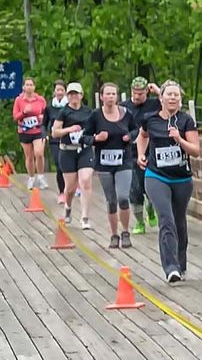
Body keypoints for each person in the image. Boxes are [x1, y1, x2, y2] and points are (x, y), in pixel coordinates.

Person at [137, 81, 201, 283]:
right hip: (156, 176)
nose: (173, 98)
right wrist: (140, 154)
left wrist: (179, 140)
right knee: (166, 218)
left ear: (180, 100)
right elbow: (142, 136)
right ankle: (170, 267)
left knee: (179, 222)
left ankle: (181, 264)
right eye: (169, 94)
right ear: (161, 98)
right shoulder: (151, 120)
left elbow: (196, 151)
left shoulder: (186, 121)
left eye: (176, 95)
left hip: (182, 178)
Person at [87, 83, 138, 248]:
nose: (110, 97)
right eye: (107, 94)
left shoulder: (126, 114)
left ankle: (125, 232)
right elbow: (84, 137)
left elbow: (137, 131)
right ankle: (114, 235)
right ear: (101, 97)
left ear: (117, 96)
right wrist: (96, 139)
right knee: (111, 200)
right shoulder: (95, 116)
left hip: (124, 161)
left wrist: (129, 137)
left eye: (113, 94)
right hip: (104, 164)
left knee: (123, 197)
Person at [50, 82, 96, 229]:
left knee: (85, 180)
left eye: (76, 94)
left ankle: (85, 217)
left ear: (81, 95)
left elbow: (94, 128)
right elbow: (54, 132)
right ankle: (68, 207)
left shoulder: (89, 112)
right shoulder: (63, 112)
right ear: (67, 96)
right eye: (70, 94)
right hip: (67, 150)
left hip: (84, 149)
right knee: (70, 187)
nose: (74, 97)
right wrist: (69, 129)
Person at [122, 76, 162, 235]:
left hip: (152, 151)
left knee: (151, 187)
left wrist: (158, 90)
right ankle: (139, 221)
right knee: (135, 189)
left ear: (147, 91)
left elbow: (172, 102)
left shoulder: (154, 104)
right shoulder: (124, 107)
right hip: (130, 153)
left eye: (141, 93)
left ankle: (151, 207)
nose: (137, 96)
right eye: (134, 93)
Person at [12, 77, 47, 190]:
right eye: (27, 85)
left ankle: (41, 177)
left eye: (31, 84)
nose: (29, 87)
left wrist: (43, 117)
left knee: (39, 153)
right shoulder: (19, 100)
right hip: (25, 131)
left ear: (34, 87)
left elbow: (46, 114)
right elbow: (15, 117)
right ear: (23, 87)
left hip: (38, 130)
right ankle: (31, 177)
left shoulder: (40, 99)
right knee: (29, 156)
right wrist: (23, 112)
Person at [45, 80, 67, 202]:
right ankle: (62, 192)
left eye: (61, 90)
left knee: (70, 166)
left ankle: (73, 187)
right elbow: (44, 123)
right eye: (57, 90)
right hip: (54, 140)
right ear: (54, 91)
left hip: (68, 139)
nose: (59, 92)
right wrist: (45, 134)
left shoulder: (70, 105)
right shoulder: (49, 106)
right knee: (59, 166)